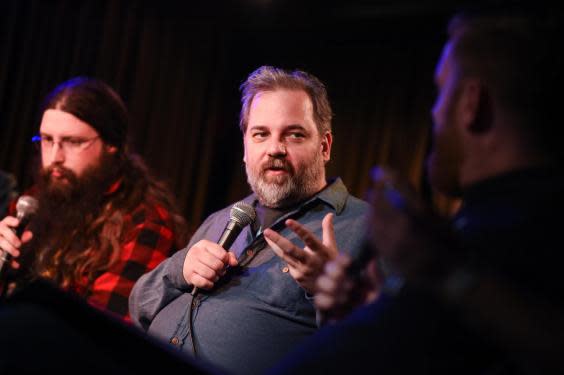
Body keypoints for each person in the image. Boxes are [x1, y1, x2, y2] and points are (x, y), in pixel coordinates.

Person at [268, 8, 564, 375]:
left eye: (441, 92)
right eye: (259, 133)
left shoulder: (517, 237)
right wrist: (369, 310)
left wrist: (451, 277)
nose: (435, 114)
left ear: (472, 104)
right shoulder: (479, 233)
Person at [129, 65, 369, 375]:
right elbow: (139, 306)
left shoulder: (366, 228)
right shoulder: (220, 220)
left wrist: (329, 293)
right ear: (245, 147)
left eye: (294, 135)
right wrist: (180, 268)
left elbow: (383, 351)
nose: (274, 149)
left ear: (324, 147)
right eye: (261, 134)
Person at [0, 77, 188, 322]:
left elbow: (98, 333)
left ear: (111, 144)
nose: (54, 157)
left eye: (73, 142)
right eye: (47, 140)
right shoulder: (35, 200)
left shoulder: (145, 221)